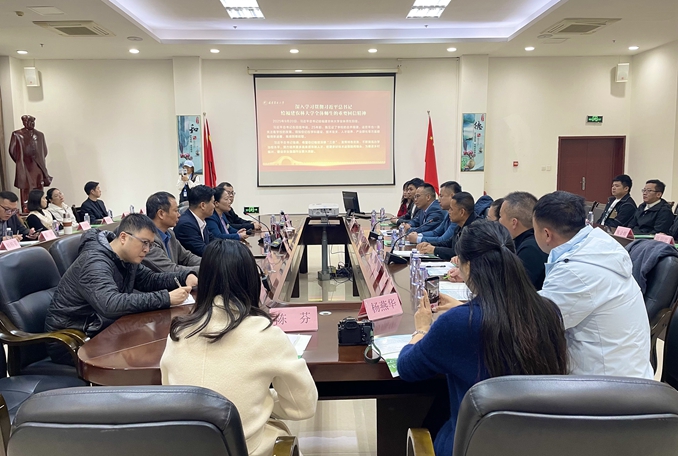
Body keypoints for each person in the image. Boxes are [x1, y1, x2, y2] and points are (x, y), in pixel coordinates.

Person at [398, 220, 568, 456]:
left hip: (470, 444)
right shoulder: (549, 311)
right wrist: (464, 309)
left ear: (467, 266)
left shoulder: (458, 323)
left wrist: (422, 329)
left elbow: (407, 368)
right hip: (536, 444)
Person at [161, 240, 318, 456]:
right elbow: (303, 406)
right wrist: (262, 399)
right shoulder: (265, 333)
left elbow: (170, 393)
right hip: (247, 449)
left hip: (187, 449)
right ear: (251, 280)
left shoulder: (178, 334)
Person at [45, 214, 197, 364]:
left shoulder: (125, 257)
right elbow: (110, 304)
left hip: (103, 328)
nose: (147, 249)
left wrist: (184, 277)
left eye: (150, 244)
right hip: (73, 341)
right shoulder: (94, 262)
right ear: (123, 237)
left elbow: (149, 279)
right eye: (144, 243)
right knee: (150, 356)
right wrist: (166, 298)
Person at [533, 191, 653, 378]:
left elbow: (534, 323)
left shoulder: (576, 271)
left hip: (607, 385)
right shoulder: (597, 247)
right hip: (625, 372)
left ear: (547, 234)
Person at [499, 192, 548, 290]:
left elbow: (513, 289)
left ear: (514, 222)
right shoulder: (531, 242)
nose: (498, 221)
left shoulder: (530, 249)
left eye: (500, 216)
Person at [143, 191, 201, 274]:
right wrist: (205, 269)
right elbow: (170, 270)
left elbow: (187, 257)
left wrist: (209, 263)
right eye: (176, 211)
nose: (179, 215)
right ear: (161, 214)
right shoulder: (148, 240)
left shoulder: (170, 233)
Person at [8, 115, 52, 211]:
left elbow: (44, 151)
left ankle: (39, 205)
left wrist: (38, 159)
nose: (30, 124)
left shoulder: (40, 135)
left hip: (38, 165)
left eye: (32, 122)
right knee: (26, 187)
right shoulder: (17, 134)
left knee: (39, 185)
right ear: (23, 122)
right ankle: (26, 207)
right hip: (25, 166)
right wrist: (21, 161)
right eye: (27, 122)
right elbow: (12, 151)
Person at [418, 192, 476, 260]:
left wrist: (434, 250)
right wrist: (429, 244)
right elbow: (448, 243)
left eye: (451, 209)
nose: (449, 212)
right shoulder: (459, 226)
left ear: (462, 212)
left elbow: (460, 253)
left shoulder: (475, 229)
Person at [406, 181, 461, 245]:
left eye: (441, 196)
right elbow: (436, 232)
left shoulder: (458, 215)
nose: (438, 200)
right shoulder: (448, 213)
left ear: (452, 196)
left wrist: (418, 239)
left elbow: (444, 239)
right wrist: (418, 235)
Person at [174, 185, 215, 256]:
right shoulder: (186, 225)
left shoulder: (200, 220)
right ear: (203, 205)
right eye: (213, 203)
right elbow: (203, 251)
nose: (214, 206)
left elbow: (213, 240)